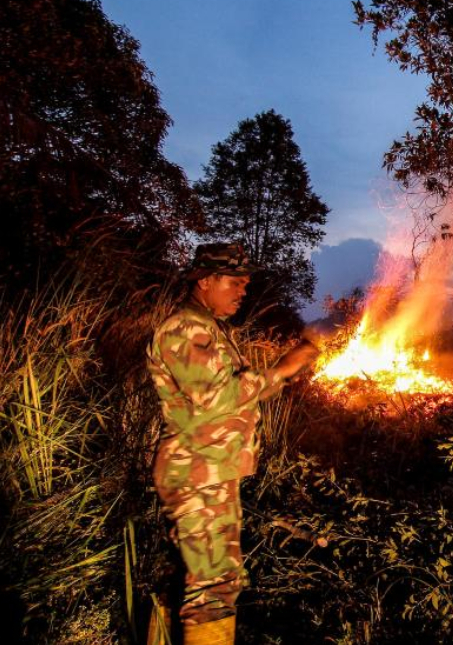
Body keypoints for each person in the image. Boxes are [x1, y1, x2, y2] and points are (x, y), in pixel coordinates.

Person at [147, 243, 318, 645]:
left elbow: (232, 394)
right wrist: (280, 369)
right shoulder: (186, 328)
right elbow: (216, 396)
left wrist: (279, 378)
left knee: (194, 574)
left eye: (246, 284)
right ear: (205, 280)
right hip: (197, 473)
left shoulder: (208, 329)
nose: (243, 291)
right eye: (234, 282)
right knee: (214, 583)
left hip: (209, 471)